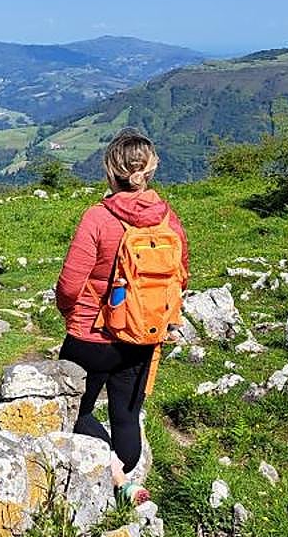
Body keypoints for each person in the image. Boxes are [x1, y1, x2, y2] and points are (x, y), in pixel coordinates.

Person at [54, 127, 189, 506]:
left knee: (71, 413)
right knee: (127, 419)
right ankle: (124, 472)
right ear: (149, 171)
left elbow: (69, 285)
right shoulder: (168, 221)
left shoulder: (97, 218)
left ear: (111, 172)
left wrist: (72, 316)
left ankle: (110, 477)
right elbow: (181, 278)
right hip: (142, 339)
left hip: (91, 338)